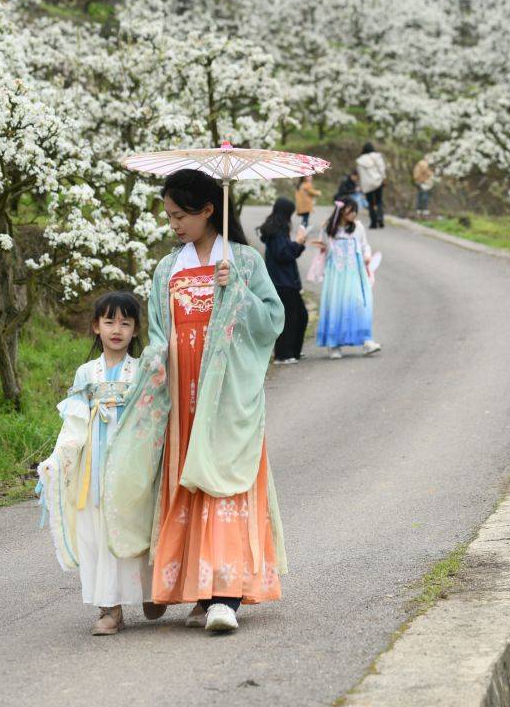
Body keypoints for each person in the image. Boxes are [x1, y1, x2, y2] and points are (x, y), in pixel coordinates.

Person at [102, 169, 287, 634]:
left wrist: (238, 292)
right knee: (186, 483)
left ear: (209, 210)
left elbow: (273, 322)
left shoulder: (243, 262)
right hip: (181, 394)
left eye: (181, 215)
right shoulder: (169, 268)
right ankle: (197, 592)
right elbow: (161, 331)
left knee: (223, 481)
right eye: (168, 217)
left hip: (225, 394)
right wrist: (157, 362)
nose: (174, 225)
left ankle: (225, 596)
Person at [35, 292, 166, 635]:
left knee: (138, 525)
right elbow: (75, 421)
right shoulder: (86, 374)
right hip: (95, 467)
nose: (117, 329)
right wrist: (59, 459)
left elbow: (152, 417)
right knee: (98, 533)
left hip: (132, 467)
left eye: (125, 322)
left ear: (136, 329)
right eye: (109, 322)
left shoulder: (141, 371)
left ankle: (152, 593)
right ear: (96, 326)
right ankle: (110, 609)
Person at [308, 199, 381, 359]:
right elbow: (324, 247)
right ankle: (334, 344)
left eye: (355, 211)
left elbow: (364, 245)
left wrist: (367, 256)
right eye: (350, 211)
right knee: (336, 306)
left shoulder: (358, 227)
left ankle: (366, 341)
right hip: (336, 275)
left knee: (360, 304)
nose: (353, 214)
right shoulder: (328, 228)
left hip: (355, 273)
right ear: (340, 211)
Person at [258, 197, 309, 365]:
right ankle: (283, 355)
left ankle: (293, 351)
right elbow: (284, 254)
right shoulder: (277, 232)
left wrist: (298, 245)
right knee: (291, 319)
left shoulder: (276, 230)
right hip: (283, 282)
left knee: (300, 316)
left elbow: (285, 252)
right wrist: (299, 243)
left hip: (285, 282)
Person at [355, 141, 387, 229]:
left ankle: (373, 223)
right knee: (379, 201)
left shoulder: (360, 160)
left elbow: (360, 174)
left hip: (367, 184)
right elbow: (382, 168)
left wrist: (361, 186)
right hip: (377, 181)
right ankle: (380, 218)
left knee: (371, 203)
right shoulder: (377, 156)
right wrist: (384, 177)